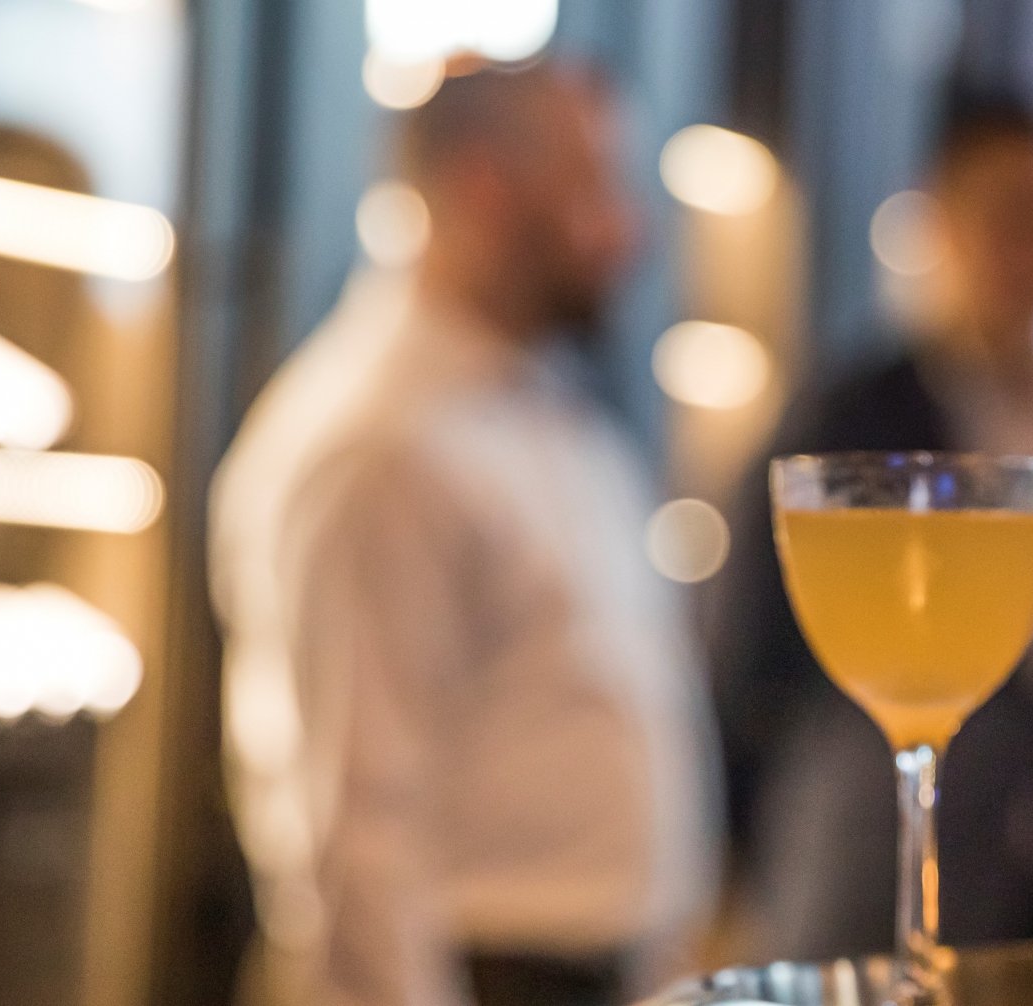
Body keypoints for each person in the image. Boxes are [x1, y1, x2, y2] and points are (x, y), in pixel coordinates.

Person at [210, 60, 717, 1006]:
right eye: (593, 186)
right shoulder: (377, 441)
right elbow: (353, 837)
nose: (627, 229)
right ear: (487, 183)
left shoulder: (544, 409)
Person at [712, 96, 1033, 959]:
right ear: (942, 222)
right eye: (1005, 214)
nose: (1029, 246)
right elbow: (750, 654)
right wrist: (743, 856)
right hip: (869, 855)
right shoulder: (853, 417)